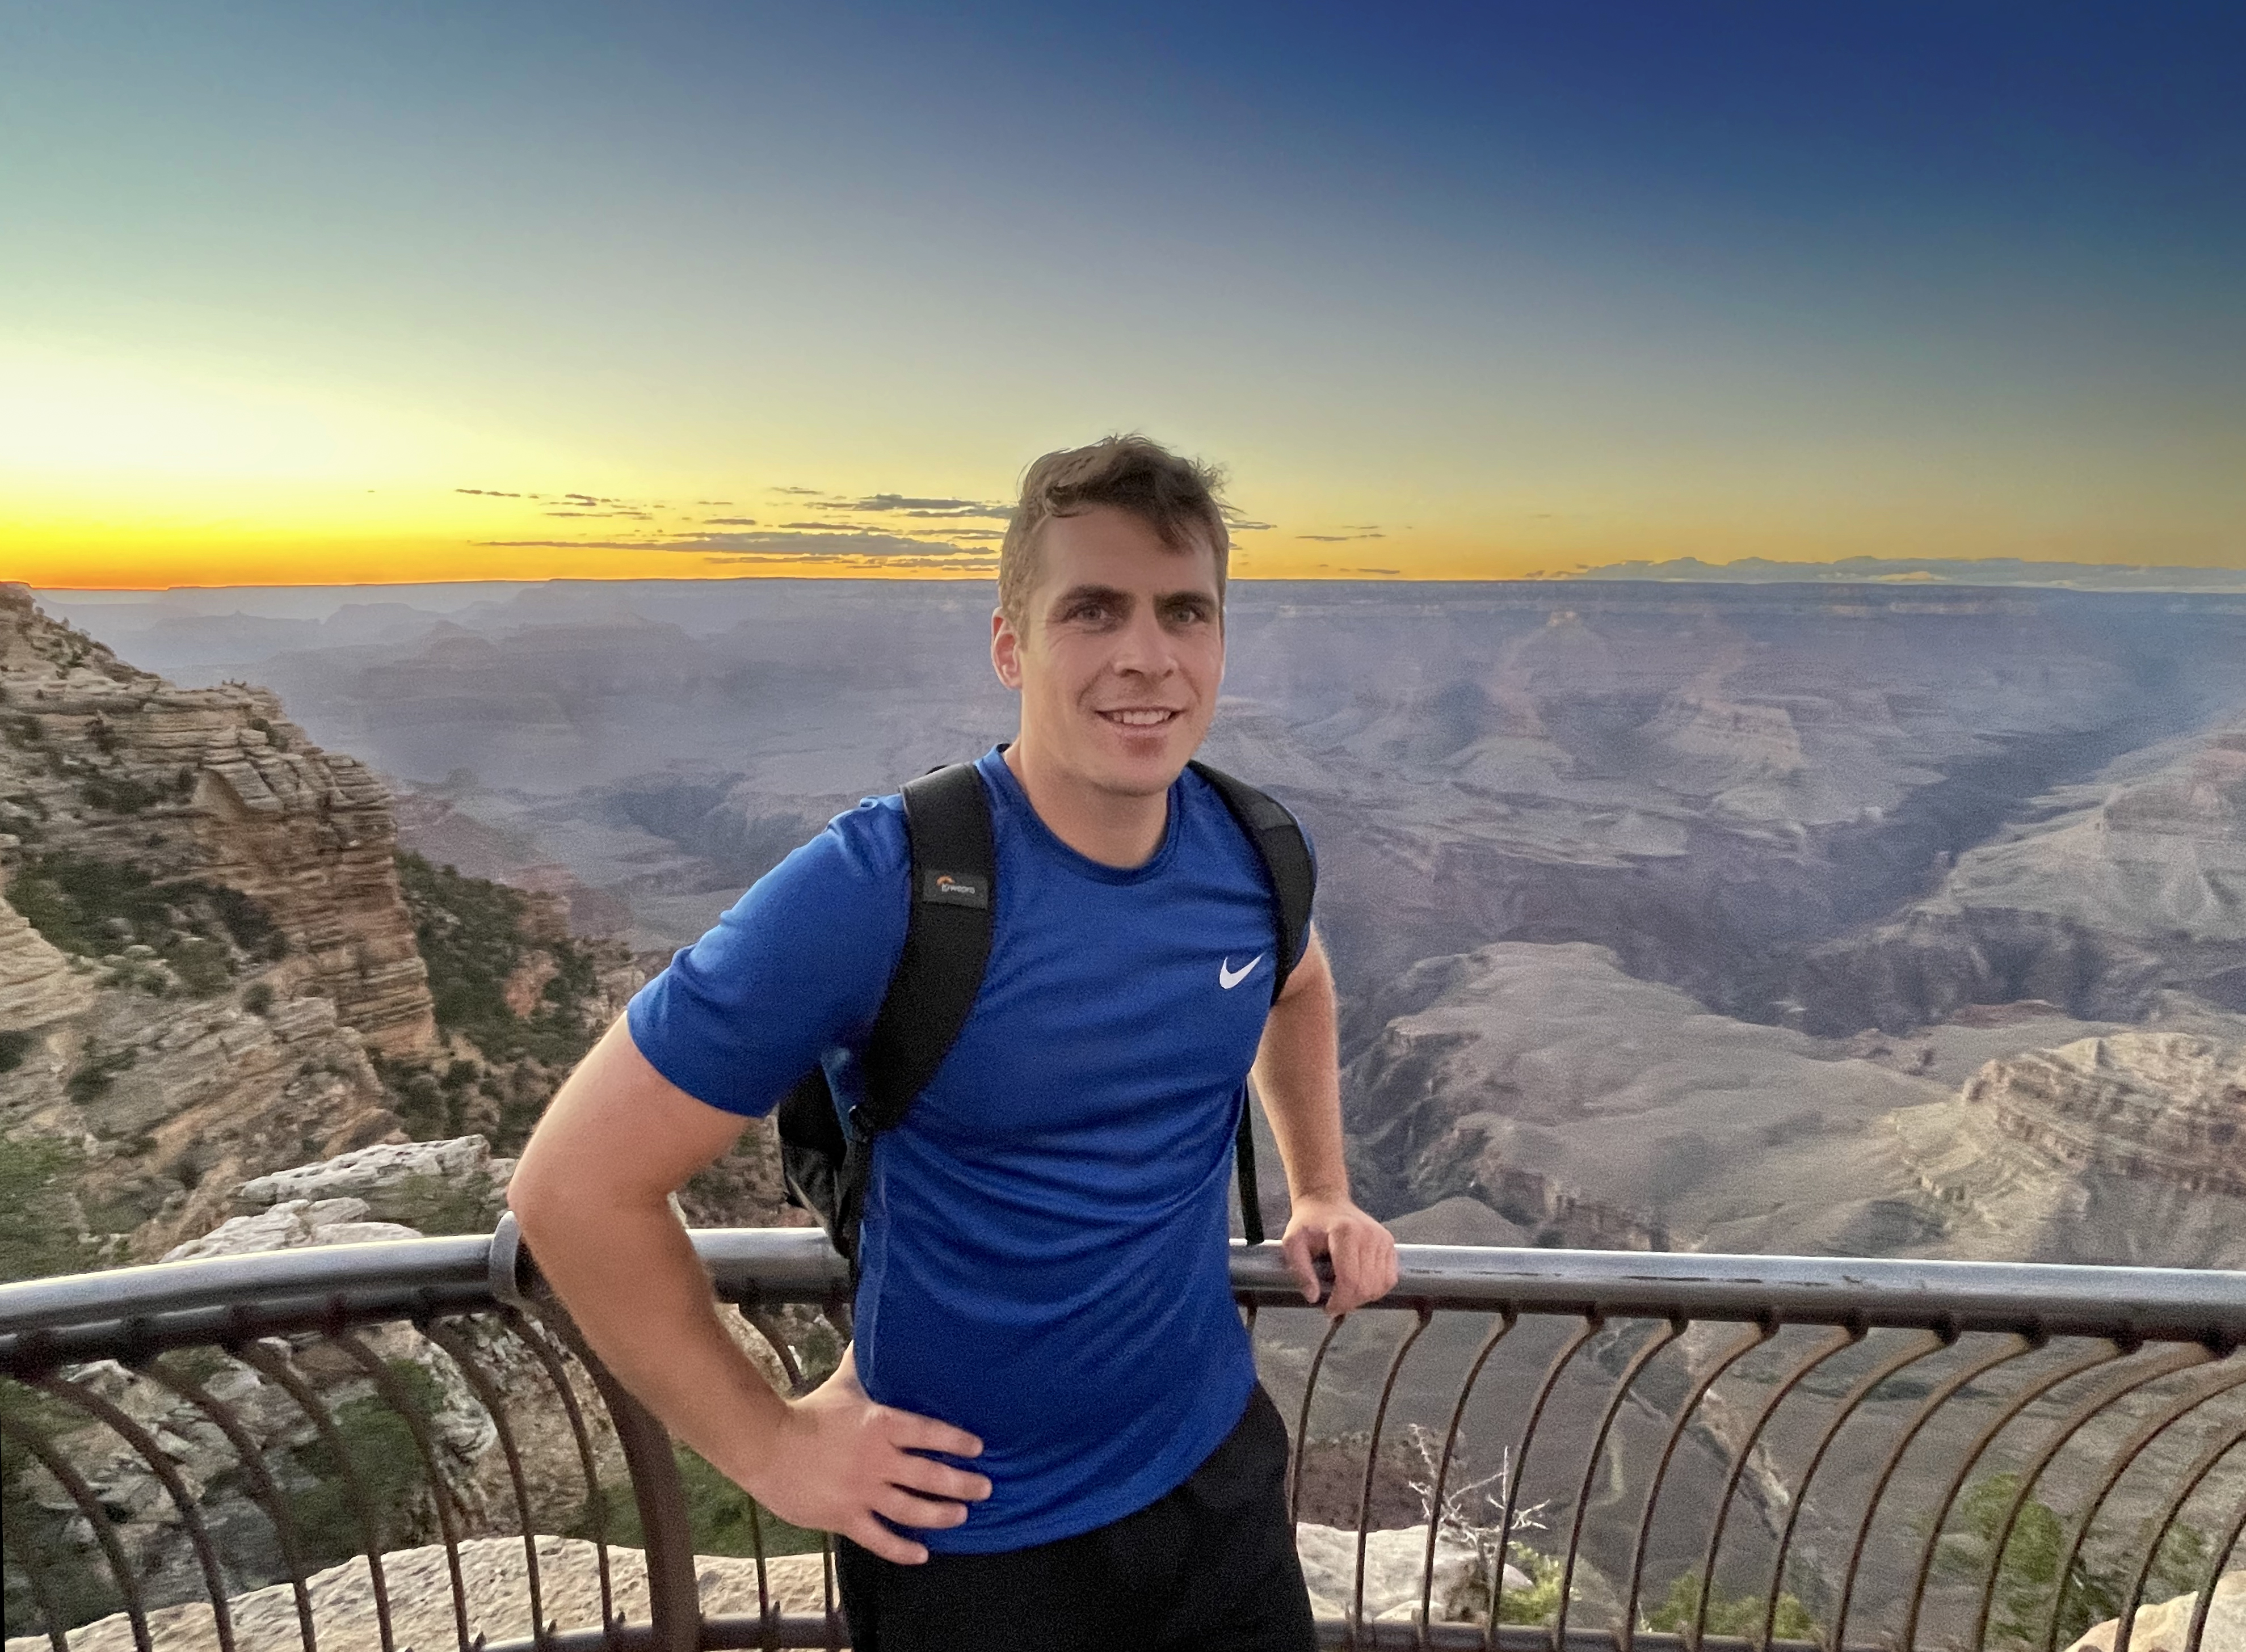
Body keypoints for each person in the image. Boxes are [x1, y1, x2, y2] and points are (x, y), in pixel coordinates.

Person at [508, 434, 1399, 1651]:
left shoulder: (1251, 855)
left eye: (1182, 611)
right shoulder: (883, 883)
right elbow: (574, 1186)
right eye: (1091, 610)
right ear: (1009, 643)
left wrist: (1324, 1192)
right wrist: (770, 1447)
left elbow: (1296, 987)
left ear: (1219, 643)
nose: (1145, 655)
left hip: (1215, 1488)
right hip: (974, 1545)